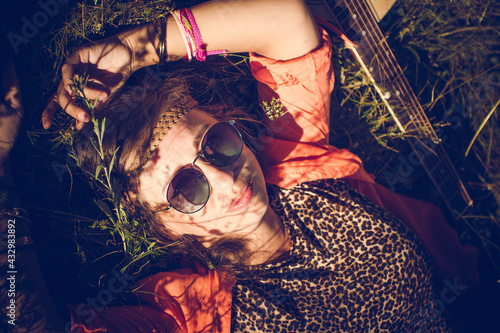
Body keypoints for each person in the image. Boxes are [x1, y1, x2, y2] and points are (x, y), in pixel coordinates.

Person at [1, 0, 479, 332]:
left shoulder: (295, 160)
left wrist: (139, 48)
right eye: (187, 188)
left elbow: (285, 22)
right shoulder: (193, 315)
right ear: (162, 225)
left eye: (218, 144)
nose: (227, 178)